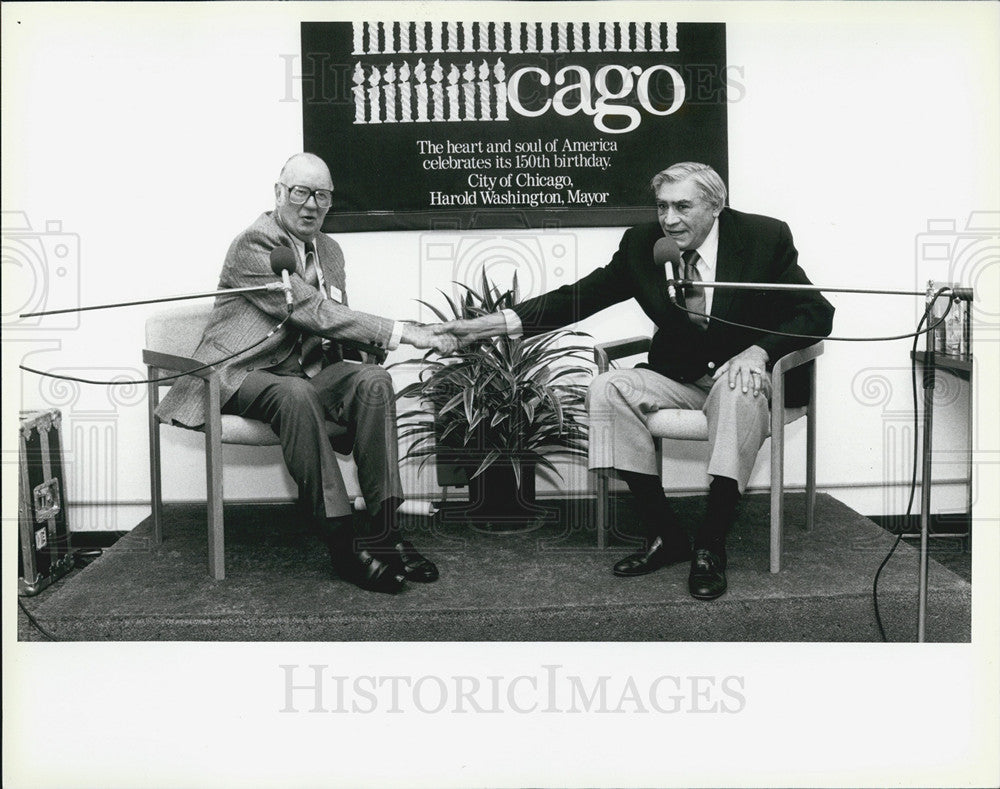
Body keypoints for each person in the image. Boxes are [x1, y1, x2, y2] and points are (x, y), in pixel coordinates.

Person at [434, 162, 834, 600]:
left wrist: (759, 351)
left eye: (683, 206)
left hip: (742, 380)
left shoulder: (763, 237)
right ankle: (665, 532)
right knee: (606, 388)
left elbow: (816, 312)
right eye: (662, 206)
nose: (669, 219)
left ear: (716, 206)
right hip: (679, 377)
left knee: (738, 387)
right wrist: (486, 326)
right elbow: (579, 296)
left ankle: (711, 544)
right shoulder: (644, 243)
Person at [156, 153, 455, 594]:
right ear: (279, 193)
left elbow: (333, 319)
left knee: (372, 383)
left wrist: (368, 352)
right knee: (294, 393)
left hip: (305, 372)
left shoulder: (330, 250)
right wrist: (402, 332)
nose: (312, 205)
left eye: (323, 196)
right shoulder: (254, 244)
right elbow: (311, 309)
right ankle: (342, 543)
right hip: (239, 372)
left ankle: (385, 533)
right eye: (301, 192)